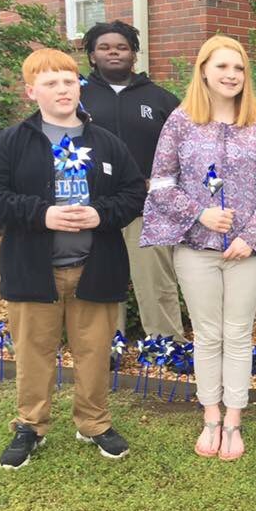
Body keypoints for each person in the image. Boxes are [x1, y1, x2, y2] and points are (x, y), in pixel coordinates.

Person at [0, 48, 146, 470]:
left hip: (95, 268)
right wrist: (42, 213)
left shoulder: (106, 142)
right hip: (34, 270)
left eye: (69, 80)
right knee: (34, 353)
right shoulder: (13, 142)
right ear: (32, 91)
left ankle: (93, 423)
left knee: (94, 352)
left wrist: (102, 214)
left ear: (79, 86)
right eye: (50, 82)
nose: (62, 89)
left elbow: (134, 193)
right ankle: (30, 427)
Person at [141, 35, 256, 461]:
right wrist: (199, 215)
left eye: (239, 68)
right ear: (204, 70)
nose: (231, 75)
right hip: (196, 249)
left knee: (238, 334)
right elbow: (160, 184)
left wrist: (250, 236)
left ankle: (234, 421)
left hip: (246, 253)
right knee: (208, 335)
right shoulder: (180, 122)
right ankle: (211, 415)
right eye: (223, 67)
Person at [79, 20, 184, 342]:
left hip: (147, 209)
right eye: (105, 47)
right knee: (100, 281)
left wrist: (165, 182)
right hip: (94, 208)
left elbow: (186, 151)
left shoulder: (162, 100)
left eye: (122, 47)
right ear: (92, 56)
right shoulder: (77, 97)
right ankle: (106, 347)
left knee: (157, 282)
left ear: (134, 54)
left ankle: (166, 347)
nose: (114, 52)